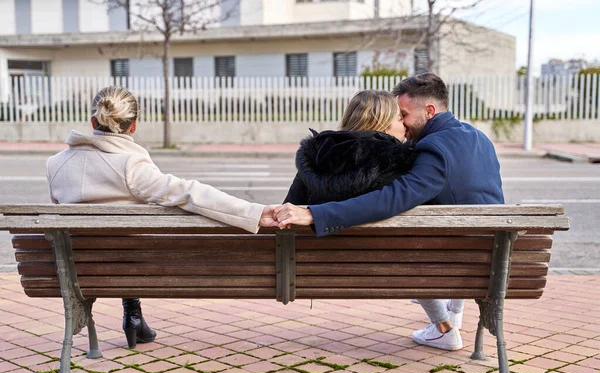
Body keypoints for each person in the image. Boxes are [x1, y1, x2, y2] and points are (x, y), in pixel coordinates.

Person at [273, 73, 504, 351]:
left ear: (429, 111)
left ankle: (446, 325)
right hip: (486, 259)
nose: (403, 123)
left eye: (404, 114)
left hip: (447, 261)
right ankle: (449, 317)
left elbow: (393, 198)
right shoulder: (479, 139)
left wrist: (315, 214)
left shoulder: (432, 149)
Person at [46, 86, 276, 349]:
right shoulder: (130, 167)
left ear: (92, 122)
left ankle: (132, 316)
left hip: (76, 270)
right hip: (132, 268)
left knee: (107, 243)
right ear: (133, 126)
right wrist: (255, 212)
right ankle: (132, 314)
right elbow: (190, 193)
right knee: (127, 243)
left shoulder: (54, 164)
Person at [284, 90, 415, 205]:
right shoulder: (398, 162)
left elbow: (290, 206)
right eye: (399, 118)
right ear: (381, 124)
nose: (404, 123)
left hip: (318, 233)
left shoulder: (317, 155)